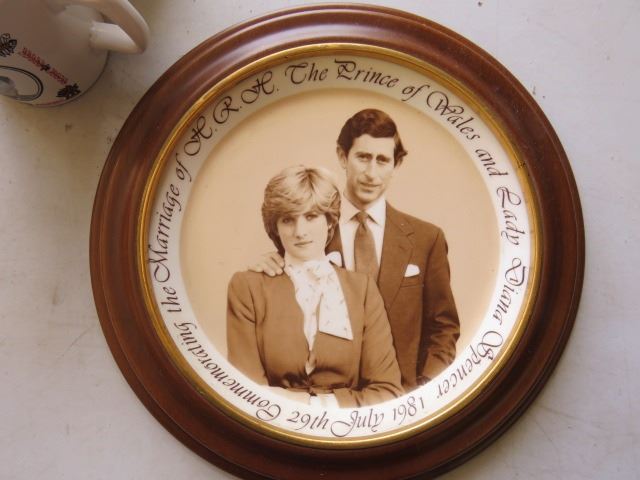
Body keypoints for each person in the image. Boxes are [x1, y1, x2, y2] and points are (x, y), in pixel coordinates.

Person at [252, 109, 460, 390]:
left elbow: (444, 328)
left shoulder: (427, 239)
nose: (371, 173)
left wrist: (423, 390)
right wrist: (269, 266)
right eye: (363, 157)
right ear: (342, 156)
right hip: (325, 398)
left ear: (396, 165)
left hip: (401, 397)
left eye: (382, 160)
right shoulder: (310, 231)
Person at [227, 165, 403, 408]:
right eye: (288, 219)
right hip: (270, 428)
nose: (300, 232)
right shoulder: (248, 287)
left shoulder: (362, 290)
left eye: (311, 216)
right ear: (275, 226)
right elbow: (245, 395)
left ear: (330, 221)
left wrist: (311, 404)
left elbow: (387, 393)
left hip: (347, 429)